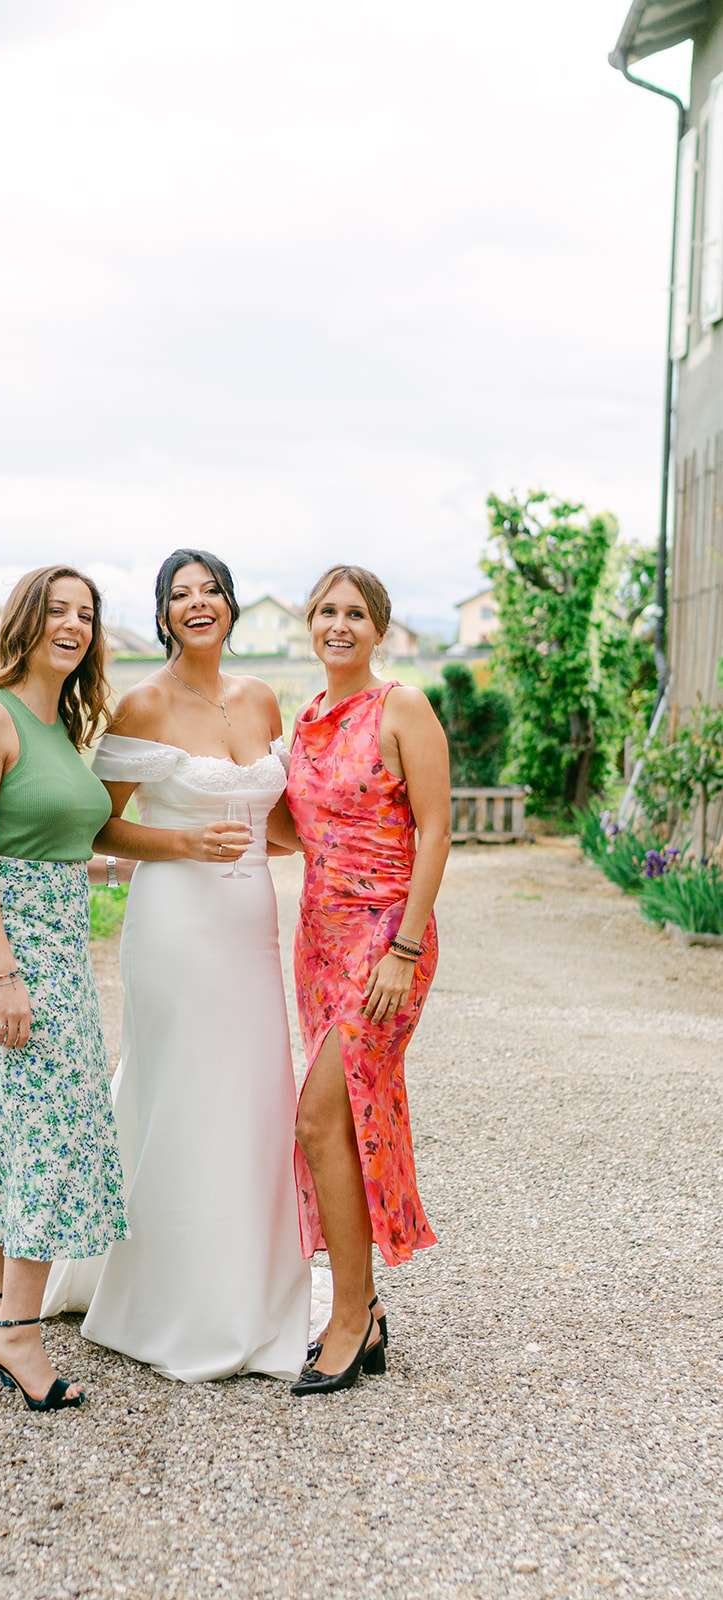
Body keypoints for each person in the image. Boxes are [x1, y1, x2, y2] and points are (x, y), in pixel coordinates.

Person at [43, 549, 311, 1381]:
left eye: (212, 592)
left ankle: (254, 1288)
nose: (199, 604)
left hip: (250, 924)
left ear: (230, 608)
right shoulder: (143, 705)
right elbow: (100, 827)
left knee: (254, 1094)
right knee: (183, 1088)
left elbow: (275, 820)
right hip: (175, 923)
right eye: (180, 595)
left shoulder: (261, 697)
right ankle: (168, 1294)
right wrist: (182, 842)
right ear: (163, 614)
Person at [0, 565, 128, 1412]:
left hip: (56, 939)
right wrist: (2, 972)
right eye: (57, 610)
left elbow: (46, 842)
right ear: (24, 620)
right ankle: (19, 1328)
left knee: (9, 1129)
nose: (74, 624)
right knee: (55, 1131)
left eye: (86, 614)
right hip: (11, 952)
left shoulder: (61, 723)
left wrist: (119, 865)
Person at [274, 563, 450, 1396]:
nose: (337, 625)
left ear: (379, 629)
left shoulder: (400, 707)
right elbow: (284, 828)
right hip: (317, 942)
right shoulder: (304, 719)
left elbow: (436, 825)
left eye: (354, 614)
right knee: (336, 1127)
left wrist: (405, 947)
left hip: (386, 944)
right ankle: (364, 1310)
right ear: (308, 624)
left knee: (316, 1117)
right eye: (324, 611)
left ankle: (348, 1315)